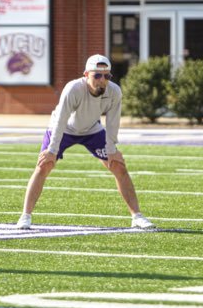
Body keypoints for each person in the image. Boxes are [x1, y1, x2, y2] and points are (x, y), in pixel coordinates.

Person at [17, 54, 155, 230]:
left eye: (106, 76)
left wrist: (112, 149)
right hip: (64, 129)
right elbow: (60, 120)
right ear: (86, 75)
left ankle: (137, 216)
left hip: (91, 129)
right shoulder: (73, 89)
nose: (102, 80)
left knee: (118, 166)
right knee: (44, 165)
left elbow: (113, 122)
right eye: (97, 75)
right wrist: (52, 150)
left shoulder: (114, 92)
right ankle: (25, 216)